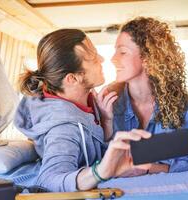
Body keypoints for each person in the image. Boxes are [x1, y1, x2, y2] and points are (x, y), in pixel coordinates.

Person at [14, 29, 152, 192]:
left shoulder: (85, 98)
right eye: (93, 58)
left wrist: (106, 121)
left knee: (175, 148)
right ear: (72, 79)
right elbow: (48, 181)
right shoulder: (63, 130)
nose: (102, 59)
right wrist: (99, 172)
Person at [97, 17, 188, 174]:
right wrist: (107, 122)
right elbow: (101, 166)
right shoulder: (109, 102)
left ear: (147, 59)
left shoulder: (176, 102)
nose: (113, 59)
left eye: (123, 52)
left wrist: (144, 168)